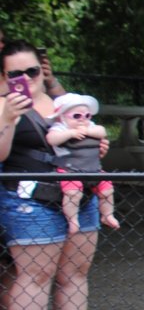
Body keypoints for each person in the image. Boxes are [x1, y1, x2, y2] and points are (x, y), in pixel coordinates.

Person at [0, 41, 116, 310]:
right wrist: (8, 116)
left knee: (75, 272)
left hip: (80, 194)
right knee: (35, 273)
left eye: (32, 70)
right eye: (16, 73)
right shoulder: (4, 106)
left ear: (43, 70)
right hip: (30, 198)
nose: (26, 78)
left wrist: (95, 148)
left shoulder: (64, 104)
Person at [46, 92, 119, 233]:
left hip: (93, 169)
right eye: (77, 116)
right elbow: (51, 139)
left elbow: (102, 131)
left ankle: (107, 215)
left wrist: (87, 130)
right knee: (73, 193)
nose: (83, 119)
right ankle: (72, 219)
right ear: (62, 117)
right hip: (70, 169)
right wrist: (70, 134)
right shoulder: (60, 128)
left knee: (107, 189)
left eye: (87, 116)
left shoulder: (90, 126)